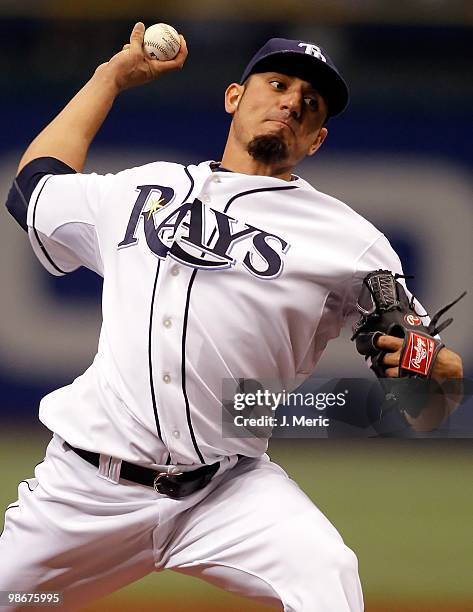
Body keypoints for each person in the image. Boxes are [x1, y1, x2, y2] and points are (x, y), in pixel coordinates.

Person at [1, 22, 463, 611]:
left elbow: (425, 401)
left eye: (311, 102)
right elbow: (35, 189)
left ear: (316, 139)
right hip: (86, 493)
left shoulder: (352, 241)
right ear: (234, 98)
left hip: (226, 492)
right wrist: (109, 77)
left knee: (328, 578)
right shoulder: (145, 189)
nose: (293, 101)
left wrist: (441, 379)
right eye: (278, 83)